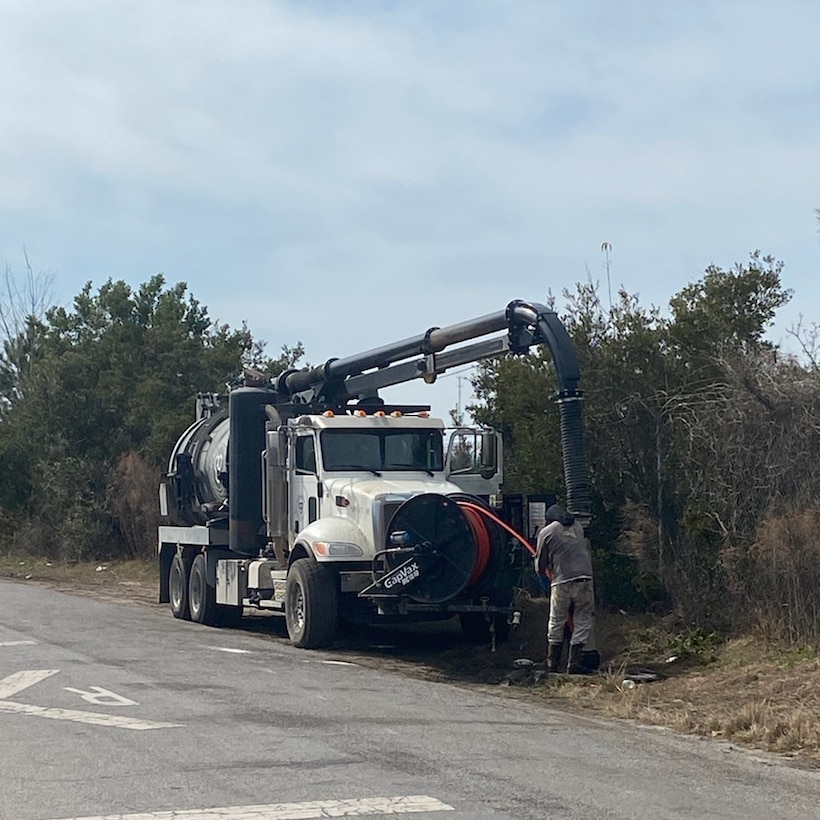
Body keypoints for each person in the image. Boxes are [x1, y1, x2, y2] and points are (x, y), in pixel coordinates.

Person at [535, 504, 595, 674]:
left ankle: (552, 665)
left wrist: (543, 578)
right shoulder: (577, 526)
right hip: (584, 578)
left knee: (557, 621)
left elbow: (541, 564)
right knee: (582, 620)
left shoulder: (546, 532)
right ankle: (574, 664)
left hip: (561, 581)